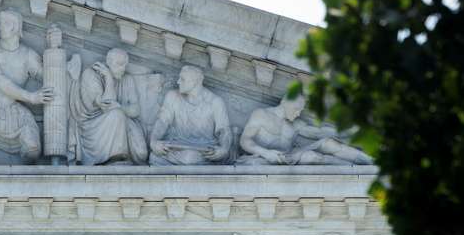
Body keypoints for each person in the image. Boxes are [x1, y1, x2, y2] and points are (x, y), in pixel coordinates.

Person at [0, 10, 53, 165]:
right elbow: (0, 81)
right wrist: (31, 97)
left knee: (34, 151)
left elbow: (49, 77)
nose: (0, 27)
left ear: (15, 28)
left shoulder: (28, 55)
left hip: (15, 112)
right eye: (0, 23)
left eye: (5, 23)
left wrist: (58, 55)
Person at [237, 93, 372, 165]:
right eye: (296, 109)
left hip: (290, 157)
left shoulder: (295, 124)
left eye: (300, 111)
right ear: (285, 101)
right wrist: (266, 153)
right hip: (265, 158)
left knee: (328, 142)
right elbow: (245, 140)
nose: (298, 114)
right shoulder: (261, 114)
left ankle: (368, 162)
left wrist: (350, 131)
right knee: (313, 157)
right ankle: (351, 170)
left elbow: (320, 132)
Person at [68, 48, 148, 165]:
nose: (123, 69)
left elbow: (135, 110)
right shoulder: (90, 74)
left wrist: (120, 106)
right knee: (116, 114)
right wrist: (109, 78)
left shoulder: (127, 79)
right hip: (92, 126)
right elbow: (107, 105)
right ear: (108, 62)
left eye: (125, 65)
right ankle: (116, 158)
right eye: (120, 64)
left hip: (121, 121)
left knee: (142, 153)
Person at [148, 65, 233, 165]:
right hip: (177, 148)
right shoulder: (172, 96)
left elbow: (224, 130)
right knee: (154, 157)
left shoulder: (215, 102)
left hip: (204, 151)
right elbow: (162, 121)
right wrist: (154, 141)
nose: (178, 82)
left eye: (182, 79)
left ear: (195, 81)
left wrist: (224, 149)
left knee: (190, 158)